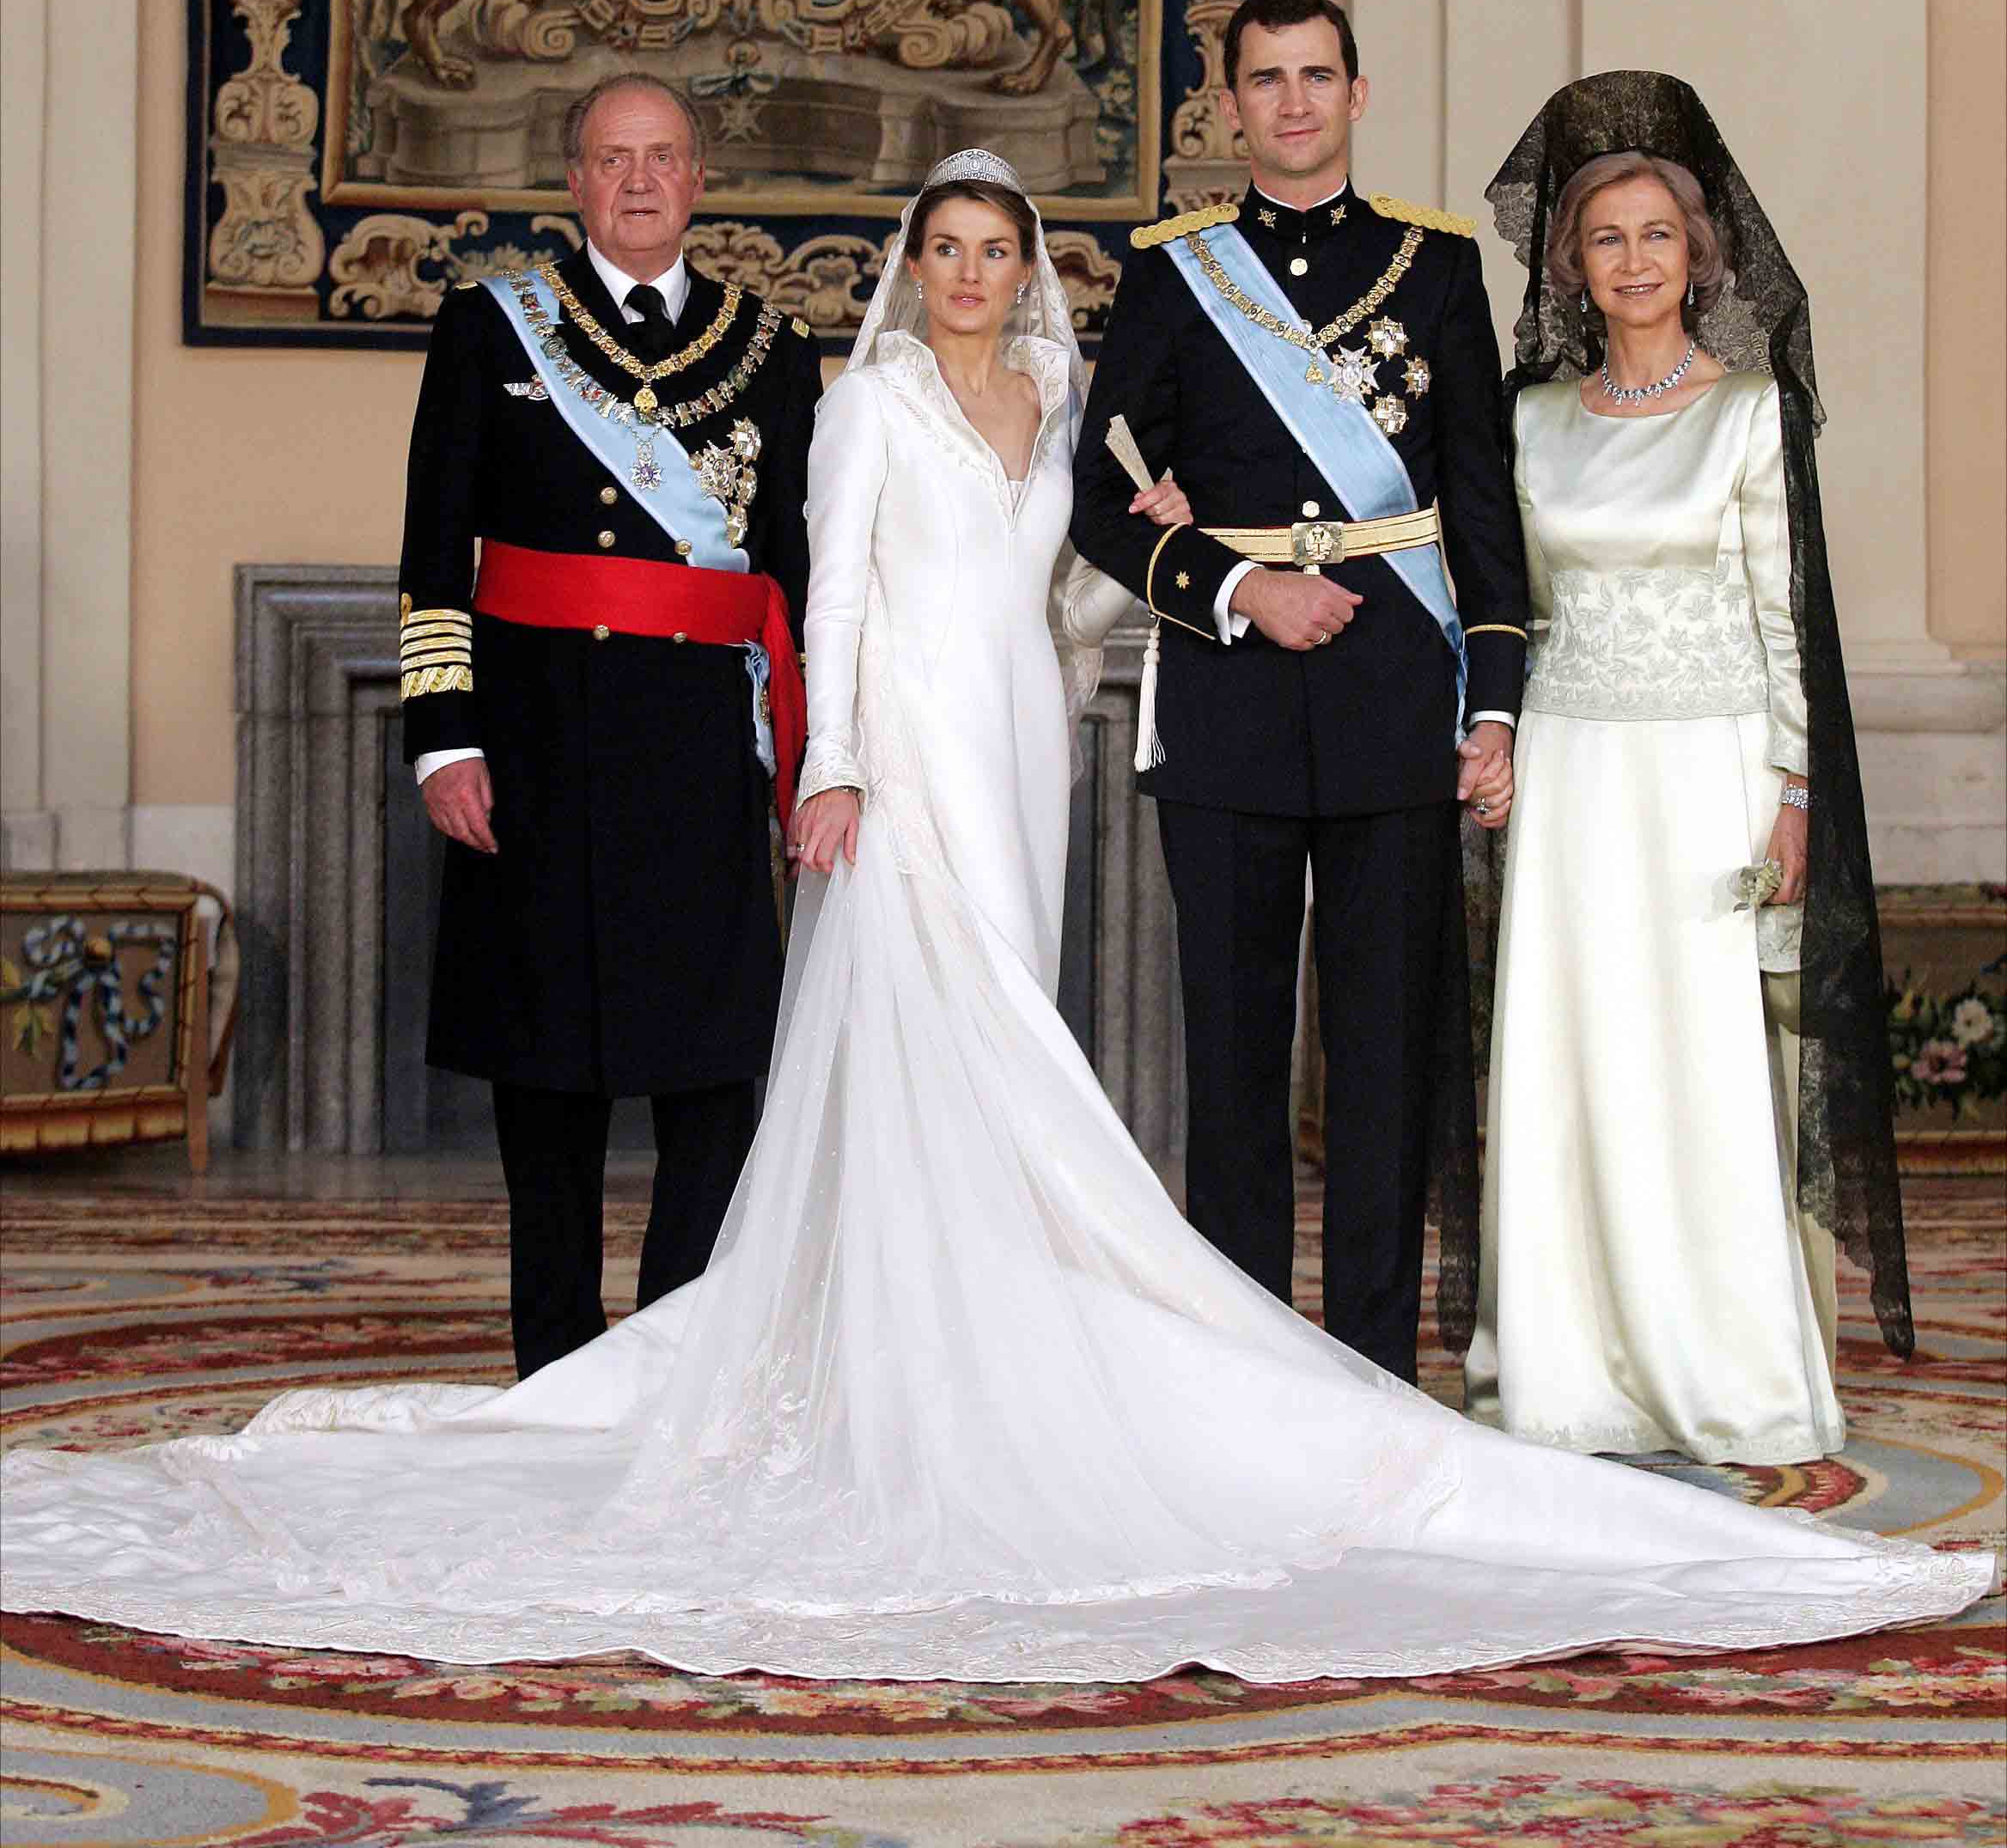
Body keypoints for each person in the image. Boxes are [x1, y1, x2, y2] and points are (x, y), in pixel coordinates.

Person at [3, 147, 1986, 1684]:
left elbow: (1106, 569)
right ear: (908, 268)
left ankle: (990, 1293)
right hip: (906, 756)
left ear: (1026, 271)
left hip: (1024, 738)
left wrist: (1254, 593)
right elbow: (837, 595)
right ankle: (904, 1341)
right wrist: (836, 761)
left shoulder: (1056, 389)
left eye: (994, 251)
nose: (969, 276)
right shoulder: (862, 408)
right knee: (942, 1030)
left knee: (1006, 1011)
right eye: (943, 250)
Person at [1069, 0, 1526, 1380]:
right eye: (1266, 81)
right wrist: (1238, 590)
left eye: (1317, 75)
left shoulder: (1438, 268)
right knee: (1234, 1058)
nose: (1295, 103)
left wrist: (1495, 703)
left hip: (1397, 698)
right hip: (1231, 699)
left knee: (1387, 1066)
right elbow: (1099, 500)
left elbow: (1483, 508)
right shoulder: (1171, 271)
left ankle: (1377, 1376)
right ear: (1231, 105)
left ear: (1358, 91)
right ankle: (1252, 1376)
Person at [1467, 73, 1912, 1463]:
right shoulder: (1529, 420)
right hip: (1575, 781)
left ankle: (1724, 1361)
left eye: (1660, 233)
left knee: (1707, 1070)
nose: (1638, 258)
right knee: (1572, 1058)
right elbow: (1503, 602)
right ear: (1572, 269)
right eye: (1609, 238)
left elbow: (1789, 620)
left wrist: (1794, 796)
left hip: (1712, 778)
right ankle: (1570, 1360)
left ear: (1699, 255)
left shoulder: (1752, 413)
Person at [398, 71, 820, 1378]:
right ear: (574, 180)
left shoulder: (774, 348)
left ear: (699, 181)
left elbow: (797, 576)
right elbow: (432, 549)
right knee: (550, 1080)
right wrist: (443, 735)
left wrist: (817, 750)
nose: (639, 181)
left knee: (711, 1077)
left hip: (700, 751)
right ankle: (558, 1374)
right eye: (611, 158)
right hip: (535, 744)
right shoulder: (491, 327)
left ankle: (672, 1373)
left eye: (663, 158)